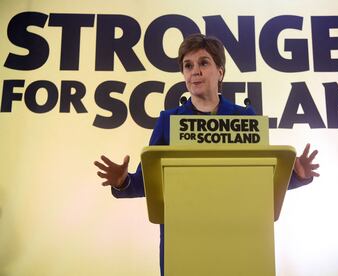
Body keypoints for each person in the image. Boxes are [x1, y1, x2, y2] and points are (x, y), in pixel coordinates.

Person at [94, 33, 320, 275]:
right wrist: (123, 181)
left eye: (203, 63)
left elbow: (261, 180)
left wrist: (296, 175)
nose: (195, 71)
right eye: (188, 66)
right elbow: (147, 183)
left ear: (220, 72)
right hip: (183, 241)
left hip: (240, 239)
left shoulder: (245, 118)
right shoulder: (168, 121)